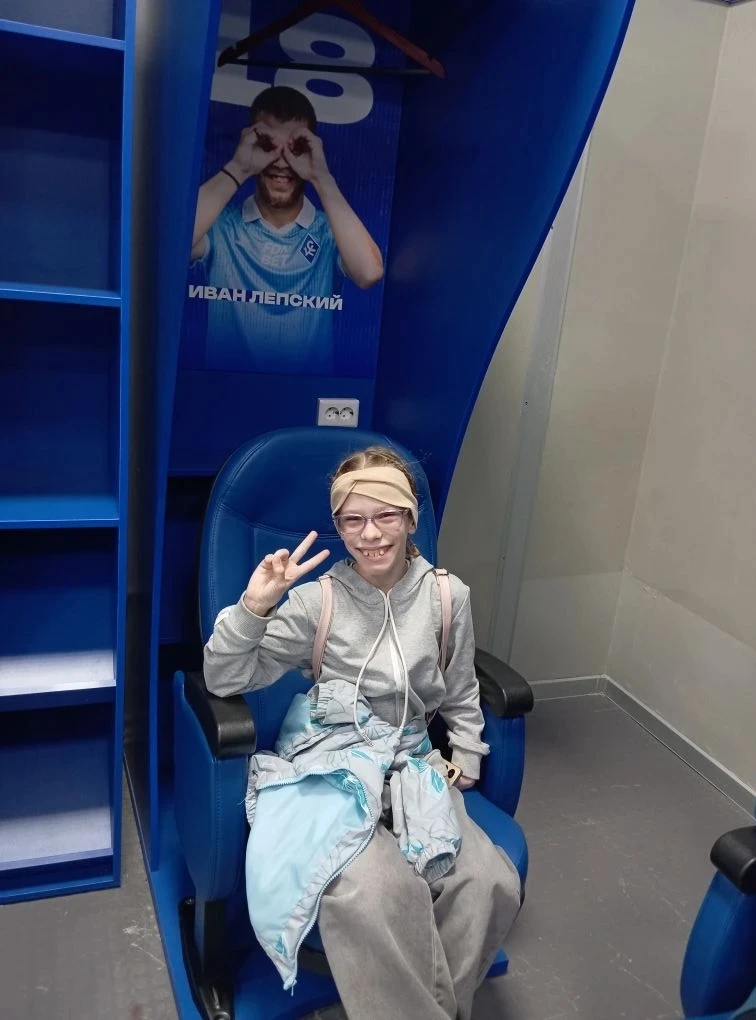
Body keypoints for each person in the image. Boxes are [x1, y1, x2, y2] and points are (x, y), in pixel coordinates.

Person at [203, 445, 522, 1020]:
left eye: (386, 516)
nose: (370, 534)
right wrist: (254, 606)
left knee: (487, 881)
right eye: (353, 520)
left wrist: (468, 754)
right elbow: (223, 676)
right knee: (375, 893)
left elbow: (459, 687)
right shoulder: (316, 602)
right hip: (333, 762)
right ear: (339, 525)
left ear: (411, 518)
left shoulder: (447, 597)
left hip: (413, 764)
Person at [190, 86, 383, 374]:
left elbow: (369, 273)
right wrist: (240, 166)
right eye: (267, 144)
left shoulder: (329, 231)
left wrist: (320, 176)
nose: (281, 162)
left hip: (306, 395)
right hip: (224, 391)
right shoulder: (220, 225)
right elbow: (169, 248)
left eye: (296, 148)